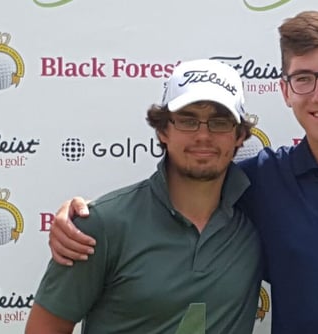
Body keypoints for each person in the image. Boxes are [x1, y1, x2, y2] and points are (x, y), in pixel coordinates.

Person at [47, 10, 318, 334]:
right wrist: (74, 214)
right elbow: (178, 188)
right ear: (285, 91)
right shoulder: (257, 181)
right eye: (304, 79)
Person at [25, 59, 264, 334]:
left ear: (239, 135)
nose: (203, 135)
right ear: (163, 130)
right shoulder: (100, 225)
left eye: (219, 123)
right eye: (188, 121)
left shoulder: (258, 216)